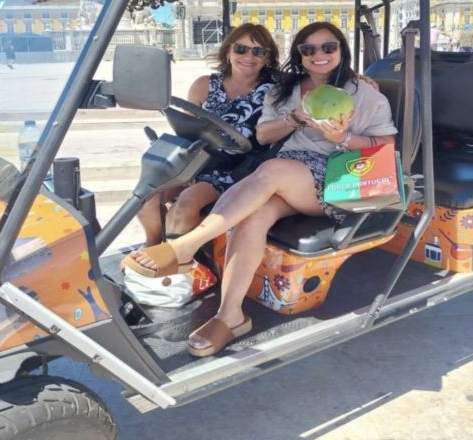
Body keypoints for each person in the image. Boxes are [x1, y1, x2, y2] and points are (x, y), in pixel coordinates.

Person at [123, 21, 397, 356]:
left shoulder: (364, 93)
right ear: (300, 55)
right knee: (255, 216)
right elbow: (264, 135)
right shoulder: (284, 90)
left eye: (329, 47)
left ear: (342, 50)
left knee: (271, 169)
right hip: (286, 177)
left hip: (336, 176)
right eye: (309, 49)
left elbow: (384, 145)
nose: (319, 55)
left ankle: (184, 248)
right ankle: (231, 316)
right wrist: (295, 118)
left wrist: (343, 138)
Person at [128, 22, 280, 260]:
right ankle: (154, 247)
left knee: (186, 202)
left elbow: (315, 79)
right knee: (147, 197)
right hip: (198, 161)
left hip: (240, 170)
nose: (249, 57)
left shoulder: (275, 88)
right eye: (241, 49)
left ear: (267, 57)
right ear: (228, 51)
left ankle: (174, 261)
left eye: (258, 51)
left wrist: (358, 79)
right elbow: (188, 130)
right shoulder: (205, 85)